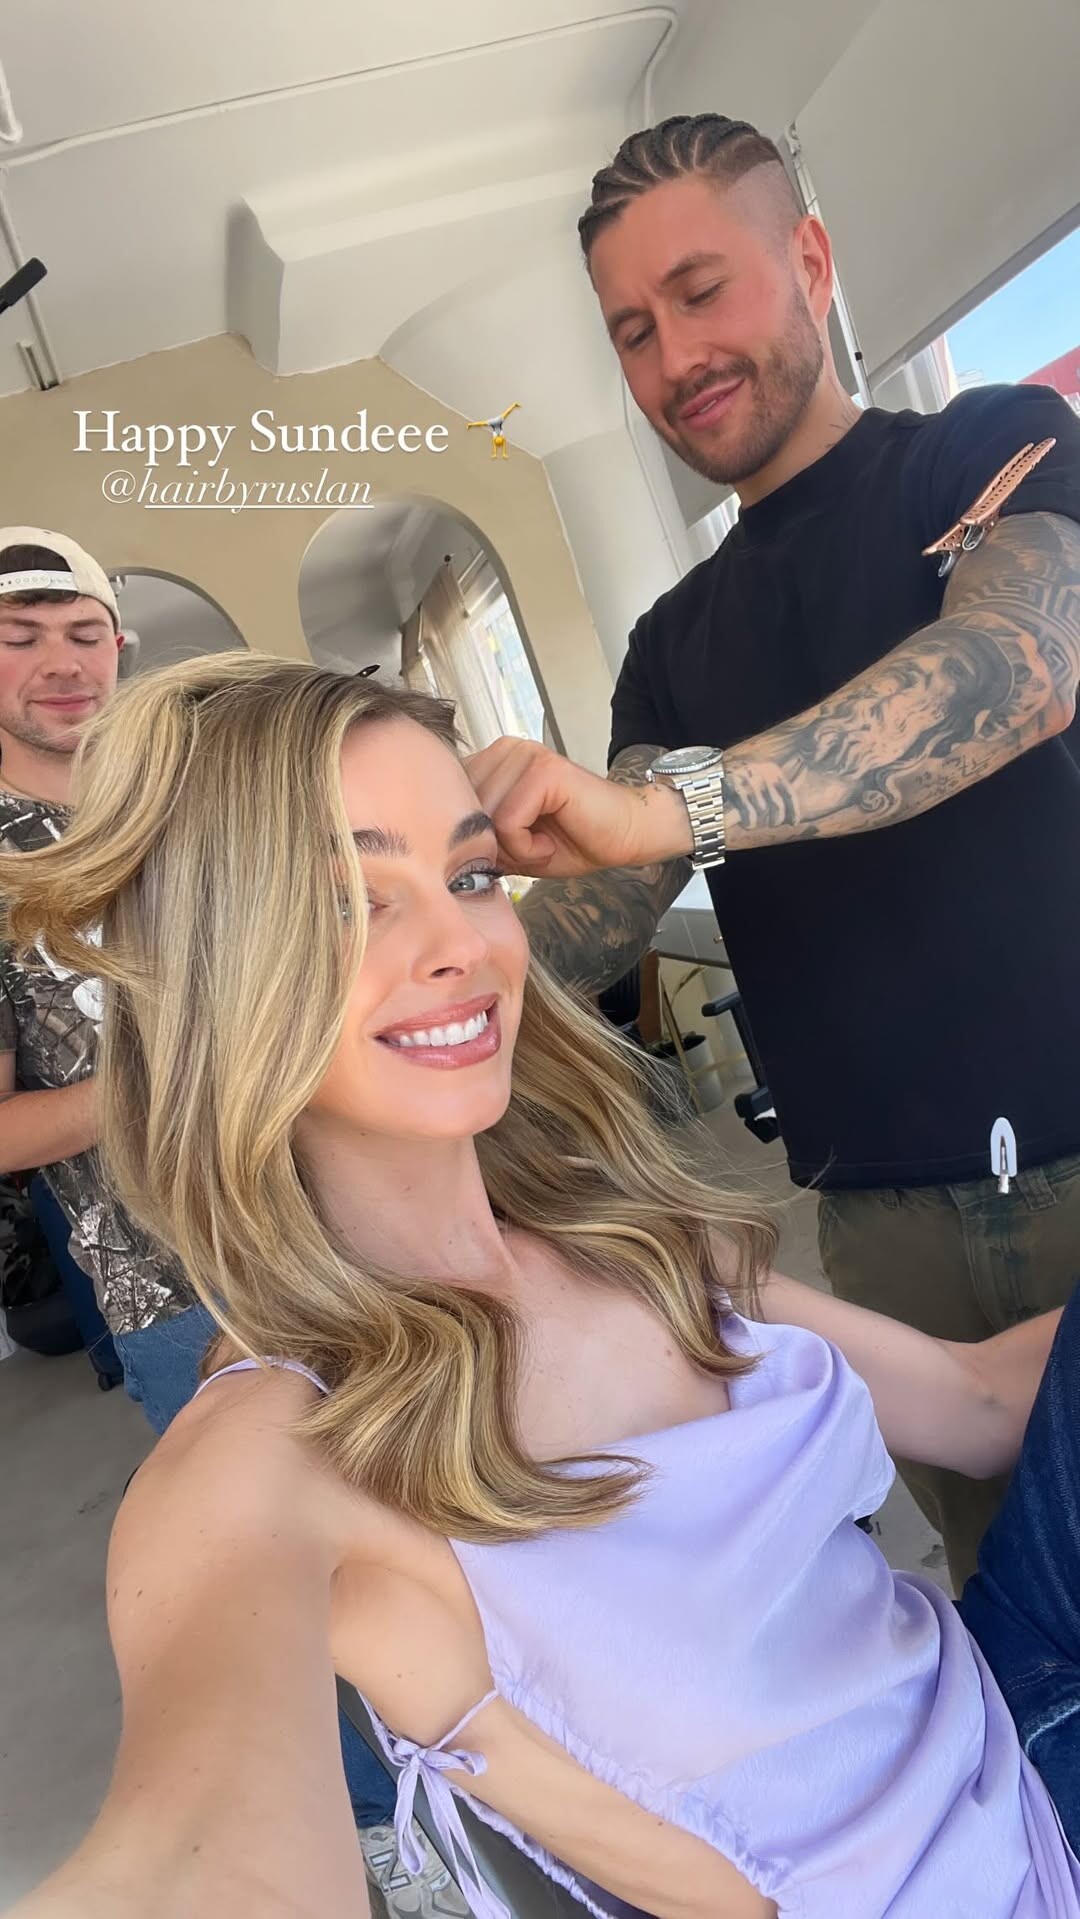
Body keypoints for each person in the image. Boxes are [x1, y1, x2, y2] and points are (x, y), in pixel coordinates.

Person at [3, 653, 1077, 1919]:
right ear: (211, 972)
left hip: (1002, 1711)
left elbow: (978, 1401)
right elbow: (189, 1852)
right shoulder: (262, 1456)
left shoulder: (627, 1237)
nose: (461, 944)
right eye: (351, 899)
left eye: (469, 875)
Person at [474, 114, 1080, 1590]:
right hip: (876, 1225)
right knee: (1022, 1604)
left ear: (810, 261)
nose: (675, 356)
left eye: (701, 291)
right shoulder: (670, 646)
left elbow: (1019, 663)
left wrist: (678, 806)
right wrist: (410, 942)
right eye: (632, 331)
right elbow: (602, 905)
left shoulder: (986, 449)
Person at [0, 534, 436, 1913]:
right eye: (19, 635)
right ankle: (384, 1842)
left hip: (351, 1224)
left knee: (436, 1518)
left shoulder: (188, 796)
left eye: (82, 630)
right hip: (179, 1290)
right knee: (287, 1584)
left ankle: (502, 1784)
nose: (60, 662)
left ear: (120, 646)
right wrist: (170, 1073)